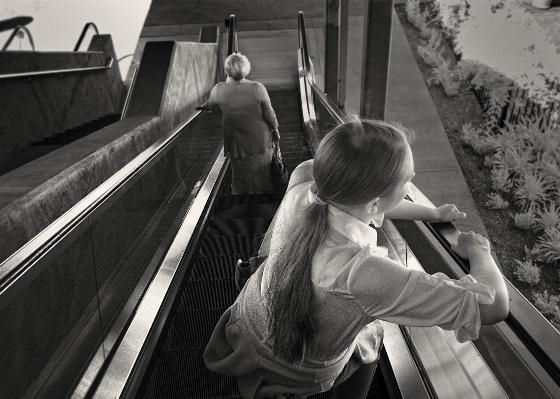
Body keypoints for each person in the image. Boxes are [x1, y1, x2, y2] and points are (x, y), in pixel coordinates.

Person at [204, 118, 509, 399]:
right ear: (375, 202)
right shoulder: (364, 273)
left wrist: (431, 213)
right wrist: (479, 252)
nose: (409, 188)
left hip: (245, 325)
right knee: (373, 335)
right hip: (295, 369)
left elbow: (362, 197)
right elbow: (494, 308)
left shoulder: (306, 178)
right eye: (408, 182)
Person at [199, 53, 280, 195]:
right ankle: (264, 198)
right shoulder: (258, 88)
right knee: (263, 172)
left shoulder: (219, 89)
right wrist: (275, 131)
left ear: (227, 70)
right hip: (260, 139)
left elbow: (209, 106)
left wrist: (202, 108)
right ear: (245, 68)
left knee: (241, 175)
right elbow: (269, 114)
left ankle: (242, 197)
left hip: (237, 142)